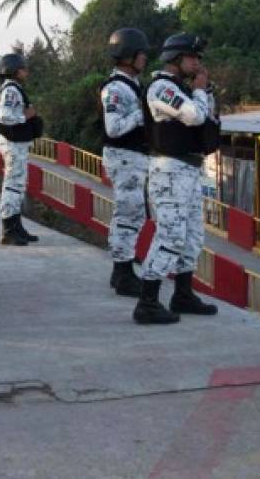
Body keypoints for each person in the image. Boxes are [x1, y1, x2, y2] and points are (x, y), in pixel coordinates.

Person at [134, 33, 220, 324]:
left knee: (192, 234)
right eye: (192, 58)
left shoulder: (184, 88)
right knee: (169, 235)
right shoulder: (161, 87)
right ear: (176, 59)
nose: (198, 63)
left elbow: (209, 119)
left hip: (190, 169)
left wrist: (203, 92)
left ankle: (183, 294)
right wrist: (199, 91)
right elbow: (196, 116)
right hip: (170, 170)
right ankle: (147, 301)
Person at [100, 28, 151, 297]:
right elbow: (114, 127)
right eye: (141, 54)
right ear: (128, 55)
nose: (145, 59)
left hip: (136, 158)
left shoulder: (133, 85)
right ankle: (122, 271)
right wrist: (143, 114)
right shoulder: (115, 89)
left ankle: (123, 268)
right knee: (127, 212)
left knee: (135, 213)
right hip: (124, 157)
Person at [0, 53, 44, 246]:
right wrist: (26, 116)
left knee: (17, 185)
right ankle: (9, 229)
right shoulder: (12, 90)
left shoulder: (13, 89)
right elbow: (3, 116)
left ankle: (16, 226)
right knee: (12, 184)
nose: (26, 71)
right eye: (23, 68)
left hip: (17, 144)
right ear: (14, 70)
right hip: (13, 144)